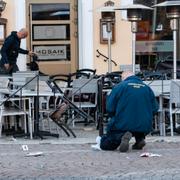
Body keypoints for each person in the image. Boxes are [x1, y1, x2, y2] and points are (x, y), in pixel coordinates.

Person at [92, 71, 159, 152]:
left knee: (107, 143)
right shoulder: (147, 88)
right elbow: (155, 108)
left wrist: (113, 117)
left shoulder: (120, 86)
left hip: (123, 123)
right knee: (137, 124)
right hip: (144, 125)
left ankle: (125, 134)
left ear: (123, 78)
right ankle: (139, 138)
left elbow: (110, 107)